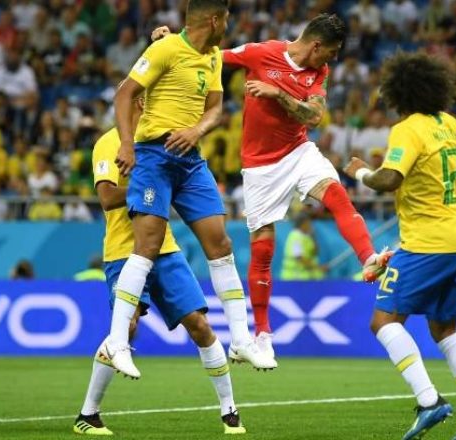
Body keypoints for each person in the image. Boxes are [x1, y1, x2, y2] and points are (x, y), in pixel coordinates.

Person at [107, 0, 274, 382]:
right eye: (226, 19)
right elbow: (124, 93)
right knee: (147, 246)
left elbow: (215, 108)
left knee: (221, 244)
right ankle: (117, 341)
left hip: (190, 160)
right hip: (153, 156)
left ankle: (241, 339)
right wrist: (127, 144)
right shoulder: (165, 49)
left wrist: (197, 130)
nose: (228, 26)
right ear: (214, 20)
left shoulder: (213, 56)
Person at [220, 14, 392, 364]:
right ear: (315, 45)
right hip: (260, 166)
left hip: (298, 151)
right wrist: (170, 41)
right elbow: (209, 56)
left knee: (336, 194)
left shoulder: (318, 71)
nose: (333, 58)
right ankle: (262, 335)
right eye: (331, 51)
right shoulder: (260, 53)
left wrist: (277, 93)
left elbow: (313, 116)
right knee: (263, 247)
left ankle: (368, 258)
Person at [344, 52, 456, 440]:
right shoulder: (452, 124)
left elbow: (389, 179)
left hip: (428, 243)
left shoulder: (407, 129)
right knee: (444, 327)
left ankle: (429, 401)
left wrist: (360, 172)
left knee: (383, 322)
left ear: (400, 92)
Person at [75, 102, 245, 435]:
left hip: (165, 249)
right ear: (141, 101)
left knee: (200, 325)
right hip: (124, 252)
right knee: (128, 327)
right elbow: (107, 197)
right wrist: (153, 189)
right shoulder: (110, 142)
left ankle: (230, 411)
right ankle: (88, 414)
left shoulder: (165, 139)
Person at [280, 212, 325, 280]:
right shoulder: (295, 236)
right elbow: (299, 257)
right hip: (294, 277)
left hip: (305, 277)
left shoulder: (307, 236)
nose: (310, 225)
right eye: (309, 223)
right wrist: (317, 267)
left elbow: (314, 253)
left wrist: (314, 238)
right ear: (303, 223)